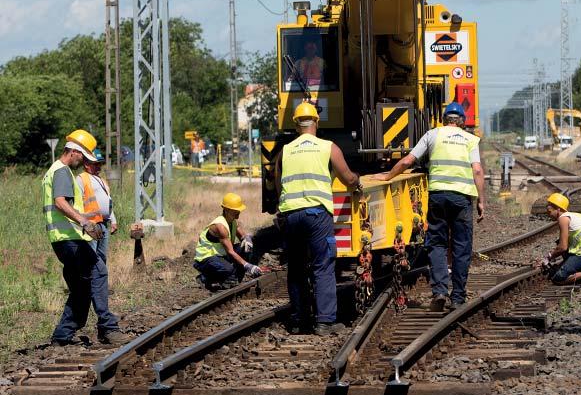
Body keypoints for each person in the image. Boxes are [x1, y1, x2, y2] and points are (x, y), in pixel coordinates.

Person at [375, 102, 485, 312]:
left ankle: (440, 291)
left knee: (437, 244)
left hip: (437, 197)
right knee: (461, 248)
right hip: (462, 199)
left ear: (444, 119)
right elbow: (477, 171)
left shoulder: (432, 135)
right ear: (462, 122)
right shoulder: (471, 139)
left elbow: (408, 160)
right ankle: (458, 298)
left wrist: (388, 176)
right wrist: (481, 200)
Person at [276, 101, 361, 335]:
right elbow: (347, 179)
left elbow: (277, 184)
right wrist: (357, 181)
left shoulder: (285, 151)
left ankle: (299, 320)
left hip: (291, 214)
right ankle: (325, 322)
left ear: (296, 125)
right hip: (317, 214)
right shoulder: (328, 147)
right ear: (316, 121)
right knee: (322, 266)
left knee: (296, 268)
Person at [43, 129, 104, 346]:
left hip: (65, 238)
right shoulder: (62, 172)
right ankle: (68, 331)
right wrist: (84, 222)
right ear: (75, 153)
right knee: (90, 279)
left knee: (82, 285)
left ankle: (65, 333)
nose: (83, 162)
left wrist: (87, 218)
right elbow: (60, 202)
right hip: (69, 239)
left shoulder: (56, 170)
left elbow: (66, 206)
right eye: (83, 157)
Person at [77, 149, 128, 344]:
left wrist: (112, 219)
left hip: (102, 225)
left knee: (101, 263)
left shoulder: (101, 180)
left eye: (99, 163)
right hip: (91, 227)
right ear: (87, 163)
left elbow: (108, 202)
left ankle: (98, 292)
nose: (98, 166)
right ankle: (96, 296)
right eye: (95, 163)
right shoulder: (82, 179)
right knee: (95, 266)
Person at [536, 193, 581, 287]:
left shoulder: (563, 218)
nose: (548, 214)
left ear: (558, 209)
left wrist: (548, 257)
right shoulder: (576, 215)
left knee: (557, 278)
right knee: (560, 241)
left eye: (549, 211)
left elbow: (563, 247)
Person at [193, 193, 262, 291]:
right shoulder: (220, 226)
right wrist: (248, 266)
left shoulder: (233, 221)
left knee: (245, 248)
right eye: (236, 211)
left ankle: (234, 278)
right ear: (226, 210)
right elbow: (230, 252)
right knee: (229, 270)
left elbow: (242, 235)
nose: (238, 214)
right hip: (206, 258)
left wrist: (247, 239)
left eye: (239, 211)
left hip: (220, 255)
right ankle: (205, 278)